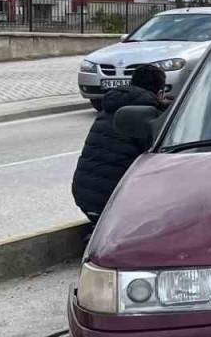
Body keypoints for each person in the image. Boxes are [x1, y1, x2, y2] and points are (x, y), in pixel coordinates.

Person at [71, 64, 169, 226]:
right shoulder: (149, 116)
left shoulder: (111, 107)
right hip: (113, 203)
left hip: (84, 195)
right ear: (160, 93)